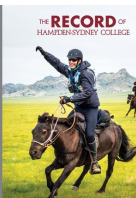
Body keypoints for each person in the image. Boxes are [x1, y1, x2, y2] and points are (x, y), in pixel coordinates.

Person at [36, 46, 101, 174]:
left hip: (90, 108)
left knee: (89, 134)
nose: (71, 62)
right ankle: (68, 154)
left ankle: (94, 162)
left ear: (79, 61)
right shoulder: (70, 71)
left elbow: (88, 92)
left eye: (74, 60)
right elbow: (57, 63)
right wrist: (44, 53)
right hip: (79, 107)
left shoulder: (86, 74)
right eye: (70, 59)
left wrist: (69, 99)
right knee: (66, 126)